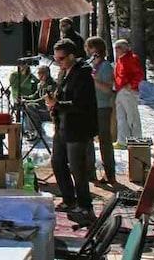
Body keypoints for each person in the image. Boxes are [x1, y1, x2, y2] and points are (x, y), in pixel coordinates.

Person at [45, 39, 98, 220]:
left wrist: (57, 104)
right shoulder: (64, 73)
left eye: (61, 58)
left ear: (72, 56)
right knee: (57, 162)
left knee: (77, 168)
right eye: (55, 58)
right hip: (62, 125)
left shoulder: (83, 74)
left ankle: (85, 205)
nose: (58, 62)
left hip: (78, 128)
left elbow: (80, 104)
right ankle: (69, 199)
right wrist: (54, 103)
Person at [86, 37, 116, 183]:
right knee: (88, 140)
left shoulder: (105, 67)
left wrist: (94, 79)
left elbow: (108, 89)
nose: (88, 51)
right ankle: (90, 172)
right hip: (90, 106)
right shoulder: (92, 66)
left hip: (103, 107)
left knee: (104, 141)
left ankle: (110, 173)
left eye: (90, 48)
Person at [113, 39, 144, 149]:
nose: (117, 50)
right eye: (116, 47)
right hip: (120, 90)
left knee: (132, 116)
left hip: (129, 91)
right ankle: (122, 141)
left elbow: (139, 74)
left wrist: (131, 85)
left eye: (119, 47)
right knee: (121, 117)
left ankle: (137, 140)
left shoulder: (132, 58)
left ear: (126, 47)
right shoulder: (120, 60)